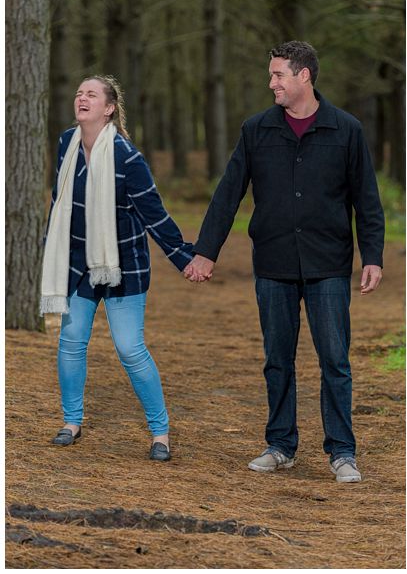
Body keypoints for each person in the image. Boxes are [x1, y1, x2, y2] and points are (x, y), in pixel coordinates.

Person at [185, 41, 384, 482]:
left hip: (328, 264)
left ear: (304, 77)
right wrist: (206, 250)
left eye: (278, 75)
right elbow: (228, 193)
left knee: (335, 360)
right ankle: (280, 445)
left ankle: (342, 452)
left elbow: (366, 199)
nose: (271, 82)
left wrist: (372, 255)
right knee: (278, 359)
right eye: (271, 74)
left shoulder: (345, 129)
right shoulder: (256, 130)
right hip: (273, 263)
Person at [41, 77, 194, 461]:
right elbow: (60, 202)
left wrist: (185, 258)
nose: (81, 97)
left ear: (109, 108)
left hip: (122, 265)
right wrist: (51, 254)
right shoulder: (66, 143)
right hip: (77, 264)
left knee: (129, 348)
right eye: (78, 93)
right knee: (71, 340)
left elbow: (153, 213)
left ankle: (160, 432)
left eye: (91, 94)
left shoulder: (127, 157)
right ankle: (71, 422)